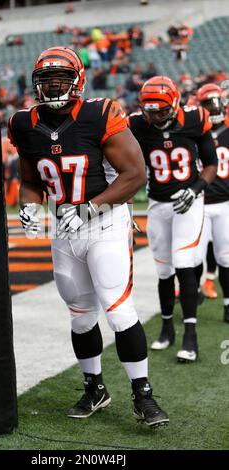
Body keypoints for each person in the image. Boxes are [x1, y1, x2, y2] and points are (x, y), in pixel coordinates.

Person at [8, 46, 169, 427]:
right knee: (80, 316)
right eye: (45, 80)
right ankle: (94, 387)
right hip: (64, 227)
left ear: (77, 80)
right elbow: (32, 180)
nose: (52, 86)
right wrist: (28, 204)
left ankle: (143, 394)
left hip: (105, 222)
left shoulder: (100, 114)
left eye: (60, 78)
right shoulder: (23, 122)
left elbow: (134, 175)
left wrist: (90, 208)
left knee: (117, 308)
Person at [127, 76, 218, 362]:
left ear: (176, 104)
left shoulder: (195, 118)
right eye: (150, 110)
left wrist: (195, 190)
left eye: (161, 110)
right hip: (158, 203)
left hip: (188, 202)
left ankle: (190, 336)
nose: (155, 116)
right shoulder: (136, 124)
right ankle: (167, 328)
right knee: (164, 271)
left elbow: (211, 164)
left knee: (182, 263)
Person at [196, 83, 229, 321]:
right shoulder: (195, 132)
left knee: (225, 256)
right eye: (208, 103)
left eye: (216, 102)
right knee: (194, 256)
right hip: (201, 202)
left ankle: (228, 303)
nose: (214, 107)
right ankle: (195, 290)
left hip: (225, 202)